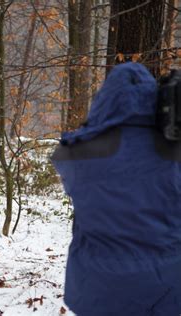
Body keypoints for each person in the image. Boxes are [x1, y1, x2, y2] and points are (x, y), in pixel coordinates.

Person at [51, 62, 181, 316]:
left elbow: (61, 156)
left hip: (100, 289)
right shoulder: (173, 152)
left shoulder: (79, 152)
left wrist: (94, 124)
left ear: (105, 99)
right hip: (169, 287)